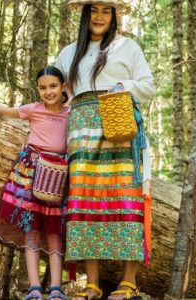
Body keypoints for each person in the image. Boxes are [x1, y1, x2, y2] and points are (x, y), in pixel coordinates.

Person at [55, 0, 156, 299]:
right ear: (85, 14)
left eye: (106, 10)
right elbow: (55, 89)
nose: (99, 16)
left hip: (118, 123)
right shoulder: (68, 52)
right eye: (94, 10)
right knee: (85, 201)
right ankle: (93, 283)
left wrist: (122, 85)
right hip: (81, 129)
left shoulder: (127, 47)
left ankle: (129, 281)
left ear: (113, 16)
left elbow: (148, 85)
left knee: (125, 196)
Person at [0, 66, 69, 300]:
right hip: (30, 172)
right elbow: (6, 111)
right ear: (38, 90)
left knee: (55, 231)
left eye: (53, 86)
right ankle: (35, 287)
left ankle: (56, 288)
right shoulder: (33, 110)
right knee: (32, 228)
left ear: (63, 87)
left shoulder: (71, 113)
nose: (48, 92)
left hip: (58, 175)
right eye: (43, 88)